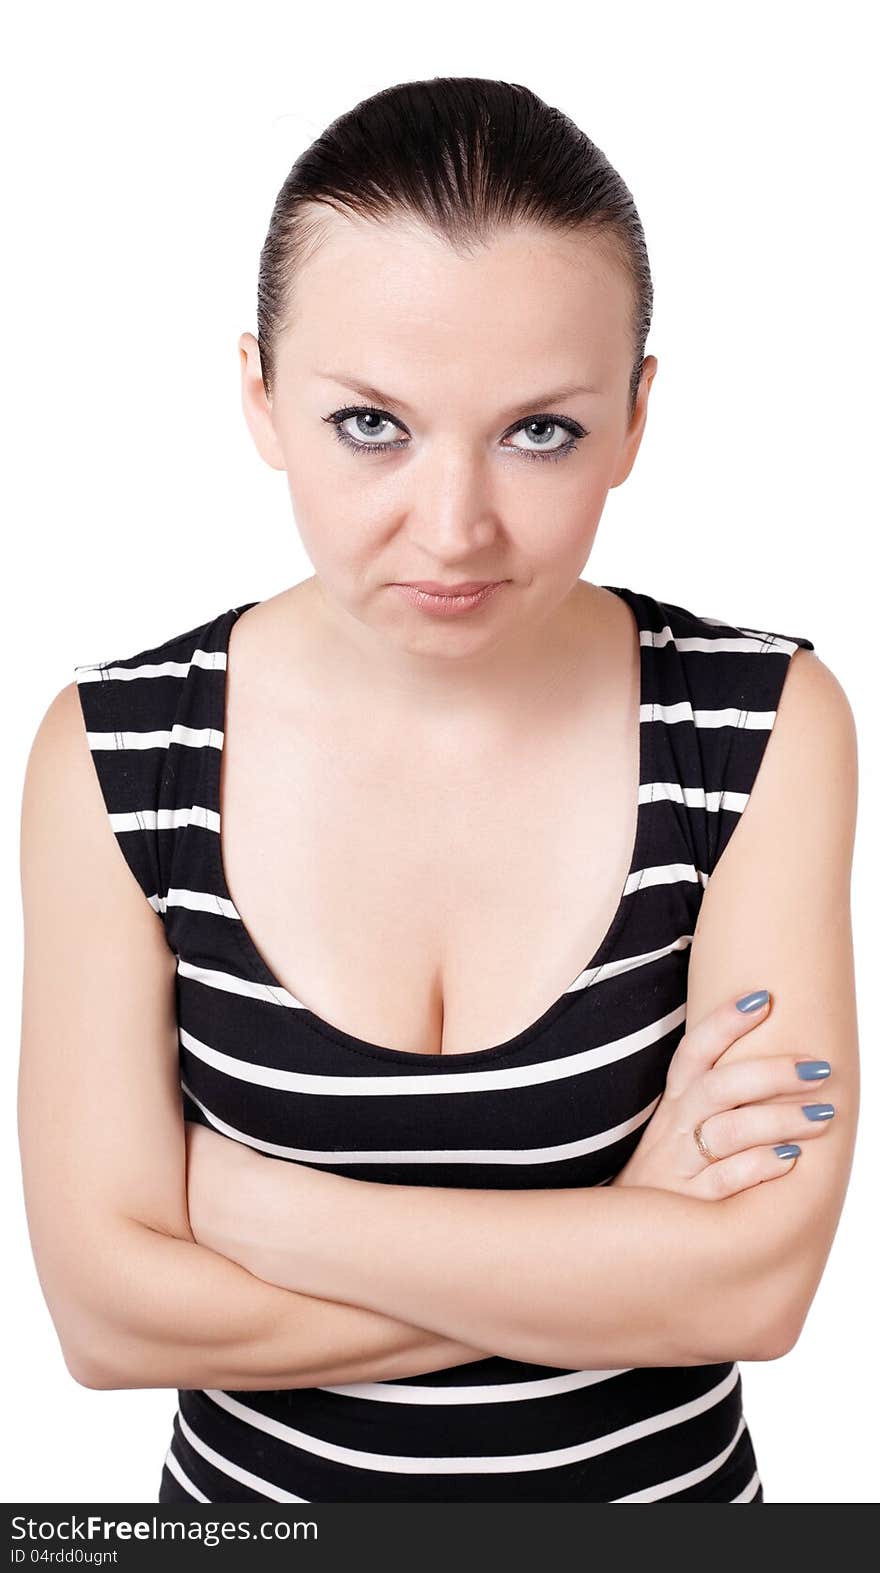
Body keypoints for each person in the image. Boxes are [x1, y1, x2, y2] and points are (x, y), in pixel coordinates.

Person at [18, 76, 858, 1505]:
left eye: (542, 431)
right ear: (261, 397)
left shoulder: (758, 721)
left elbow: (752, 1294)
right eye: (371, 425)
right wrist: (622, 1242)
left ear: (639, 414)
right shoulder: (117, 751)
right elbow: (108, 1322)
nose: (455, 524)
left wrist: (248, 1207)